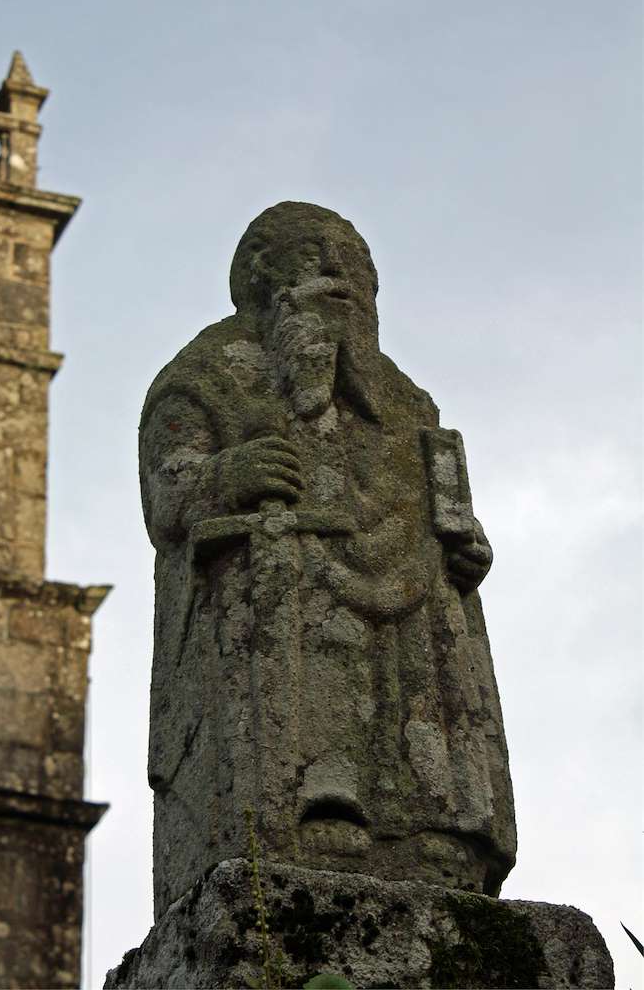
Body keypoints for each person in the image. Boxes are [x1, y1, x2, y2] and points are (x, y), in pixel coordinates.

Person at [139, 201, 516, 920]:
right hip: (286, 573)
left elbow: (440, 502)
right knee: (288, 555)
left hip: (404, 588)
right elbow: (171, 498)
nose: (337, 275)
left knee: (432, 592)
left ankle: (439, 820)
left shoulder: (407, 400)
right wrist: (232, 471)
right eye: (314, 258)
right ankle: (315, 800)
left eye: (354, 263)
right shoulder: (207, 374)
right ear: (260, 277)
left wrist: (466, 547)